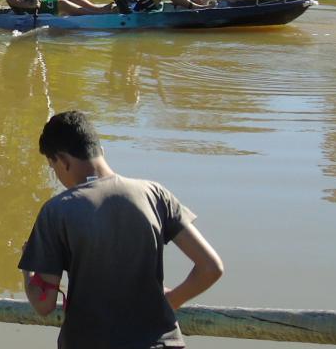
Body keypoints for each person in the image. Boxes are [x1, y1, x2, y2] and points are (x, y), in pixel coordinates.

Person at [20, 110, 224, 345]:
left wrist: (28, 271)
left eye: (52, 166)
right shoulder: (154, 194)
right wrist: (169, 301)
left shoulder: (57, 211)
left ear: (62, 160)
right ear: (101, 151)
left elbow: (44, 303)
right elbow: (211, 267)